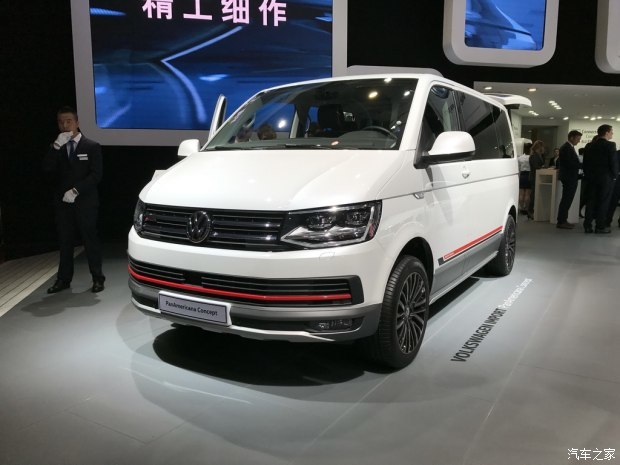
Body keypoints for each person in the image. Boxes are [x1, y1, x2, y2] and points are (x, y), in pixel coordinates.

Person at [42, 106, 105, 293]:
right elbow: (46, 169)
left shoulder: (91, 146)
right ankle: (63, 279)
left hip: (85, 202)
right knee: (65, 241)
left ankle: (97, 278)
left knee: (90, 240)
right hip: (63, 203)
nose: (65, 125)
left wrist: (76, 190)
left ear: (77, 122)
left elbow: (96, 175)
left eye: (69, 121)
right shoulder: (57, 146)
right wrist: (55, 147)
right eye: (61, 122)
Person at [582, 124, 618, 234]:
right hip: (605, 178)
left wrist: (588, 175)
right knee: (603, 202)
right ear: (606, 133)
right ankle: (600, 226)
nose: (612, 133)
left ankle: (587, 226)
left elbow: (585, 163)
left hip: (591, 178)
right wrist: (615, 176)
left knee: (590, 201)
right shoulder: (610, 145)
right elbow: (613, 162)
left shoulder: (589, 145)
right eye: (611, 132)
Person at [556, 130, 582, 229]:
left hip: (570, 177)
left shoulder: (568, 147)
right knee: (566, 200)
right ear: (571, 137)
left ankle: (563, 220)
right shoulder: (566, 148)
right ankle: (561, 221)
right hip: (569, 177)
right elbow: (571, 163)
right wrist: (584, 165)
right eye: (577, 139)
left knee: (566, 199)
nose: (579, 141)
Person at [527, 140, 545, 219]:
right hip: (534, 177)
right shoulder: (534, 156)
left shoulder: (538, 155)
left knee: (534, 194)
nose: (543, 148)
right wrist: (542, 167)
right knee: (533, 195)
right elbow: (535, 167)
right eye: (542, 146)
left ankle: (532, 211)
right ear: (539, 147)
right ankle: (530, 211)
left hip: (536, 176)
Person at [517, 142, 532, 215]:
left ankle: (521, 208)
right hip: (529, 174)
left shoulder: (520, 158)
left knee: (521, 193)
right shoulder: (531, 157)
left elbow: (518, 168)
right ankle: (526, 208)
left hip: (522, 175)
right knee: (527, 194)